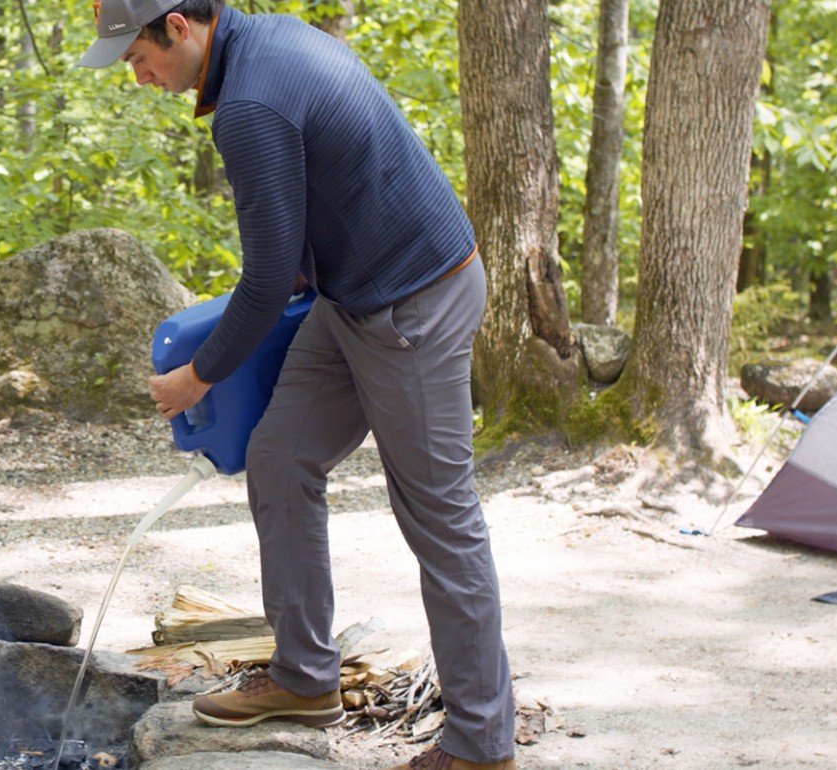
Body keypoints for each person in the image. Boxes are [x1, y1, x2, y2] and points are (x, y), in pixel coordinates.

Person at [79, 2, 516, 769]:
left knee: (440, 518)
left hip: (415, 304)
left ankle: (482, 746)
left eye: (136, 57)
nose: (137, 75)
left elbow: (267, 279)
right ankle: (305, 677)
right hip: (351, 301)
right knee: (280, 457)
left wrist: (195, 377)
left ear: (179, 26)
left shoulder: (248, 104)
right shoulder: (261, 42)